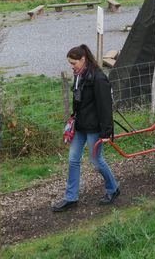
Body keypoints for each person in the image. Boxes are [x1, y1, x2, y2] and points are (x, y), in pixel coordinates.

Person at [53, 45, 119, 212]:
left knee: (96, 161)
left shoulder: (98, 78)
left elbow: (105, 106)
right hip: (81, 126)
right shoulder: (79, 76)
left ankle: (113, 189)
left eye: (73, 62)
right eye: (70, 63)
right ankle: (71, 198)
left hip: (95, 128)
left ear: (83, 59)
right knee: (73, 159)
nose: (71, 66)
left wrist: (106, 132)